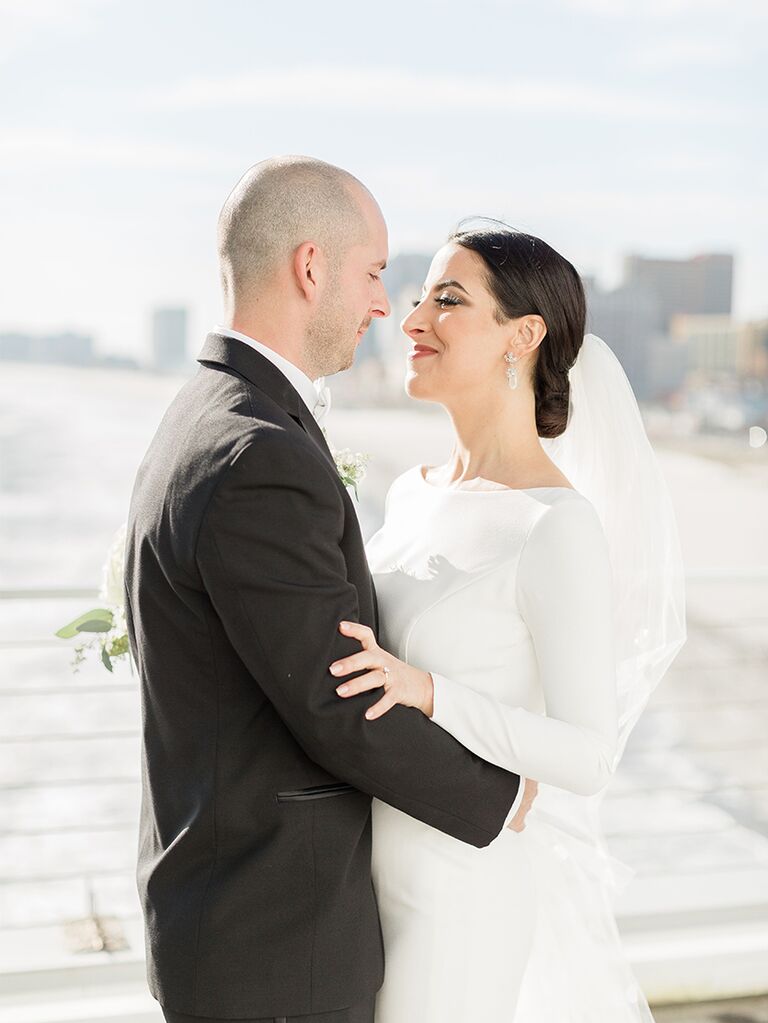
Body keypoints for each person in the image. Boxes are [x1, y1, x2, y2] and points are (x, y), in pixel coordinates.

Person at [123, 157, 539, 1023]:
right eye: (376, 272)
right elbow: (336, 700)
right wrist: (502, 794)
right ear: (312, 268)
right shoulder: (258, 454)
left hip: (233, 914)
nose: (387, 305)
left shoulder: (206, 413)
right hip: (277, 938)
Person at [331, 222, 687, 1021]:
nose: (412, 320)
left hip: (456, 900)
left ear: (522, 336)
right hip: (354, 881)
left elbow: (589, 753)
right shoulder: (413, 493)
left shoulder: (554, 526)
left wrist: (430, 691)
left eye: (447, 300)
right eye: (417, 296)